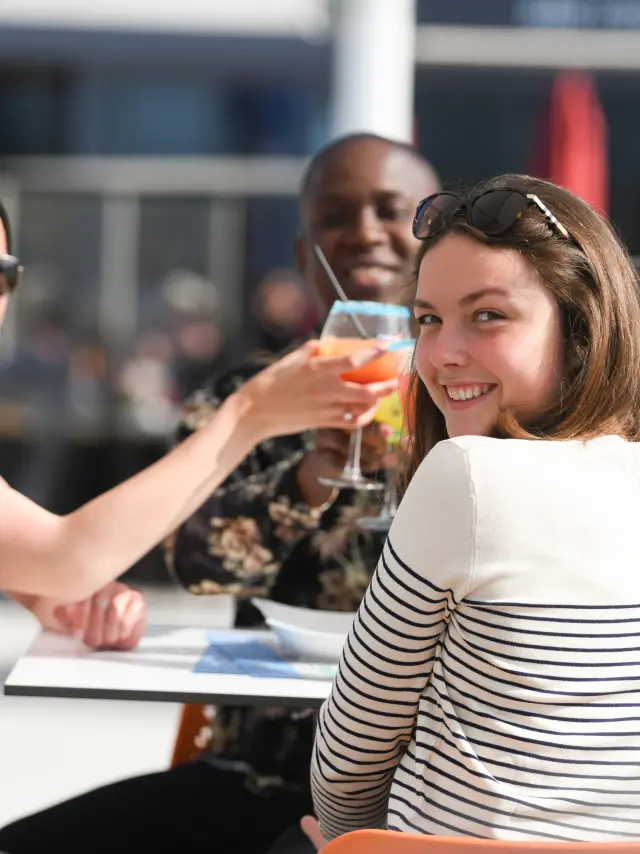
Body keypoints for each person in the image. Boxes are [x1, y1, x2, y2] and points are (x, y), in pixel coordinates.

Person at [0, 134, 440, 854]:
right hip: (260, 770)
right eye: (337, 215)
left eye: (392, 212)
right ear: (304, 256)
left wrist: (60, 590)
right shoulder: (247, 395)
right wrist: (303, 475)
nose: (364, 231)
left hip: (430, 791)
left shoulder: (479, 398)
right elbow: (188, 565)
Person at [310, 174, 640, 843]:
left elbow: (347, 764)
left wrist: (351, 847)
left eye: (487, 315)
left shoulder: (468, 475)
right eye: (427, 319)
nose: (441, 353)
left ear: (581, 332)